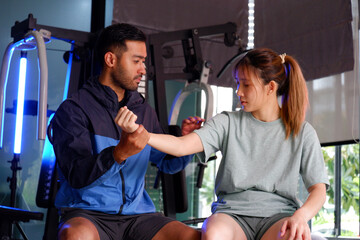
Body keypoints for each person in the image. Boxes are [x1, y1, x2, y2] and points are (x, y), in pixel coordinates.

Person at [118, 48, 330, 240]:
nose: (239, 91)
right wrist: (144, 135)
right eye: (238, 83)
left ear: (270, 88)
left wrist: (301, 216)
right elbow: (182, 146)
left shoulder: (302, 132)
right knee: (214, 233)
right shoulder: (227, 122)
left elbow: (318, 190)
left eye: (246, 85)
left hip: (278, 217)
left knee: (295, 236)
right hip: (232, 215)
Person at [51, 23, 202, 240]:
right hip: (89, 214)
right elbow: (77, 175)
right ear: (111, 60)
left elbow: (167, 164)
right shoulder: (74, 110)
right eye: (136, 61)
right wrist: (119, 153)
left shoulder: (143, 110)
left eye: (144, 62)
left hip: (137, 217)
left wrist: (184, 141)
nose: (143, 69)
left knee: (193, 237)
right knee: (75, 236)